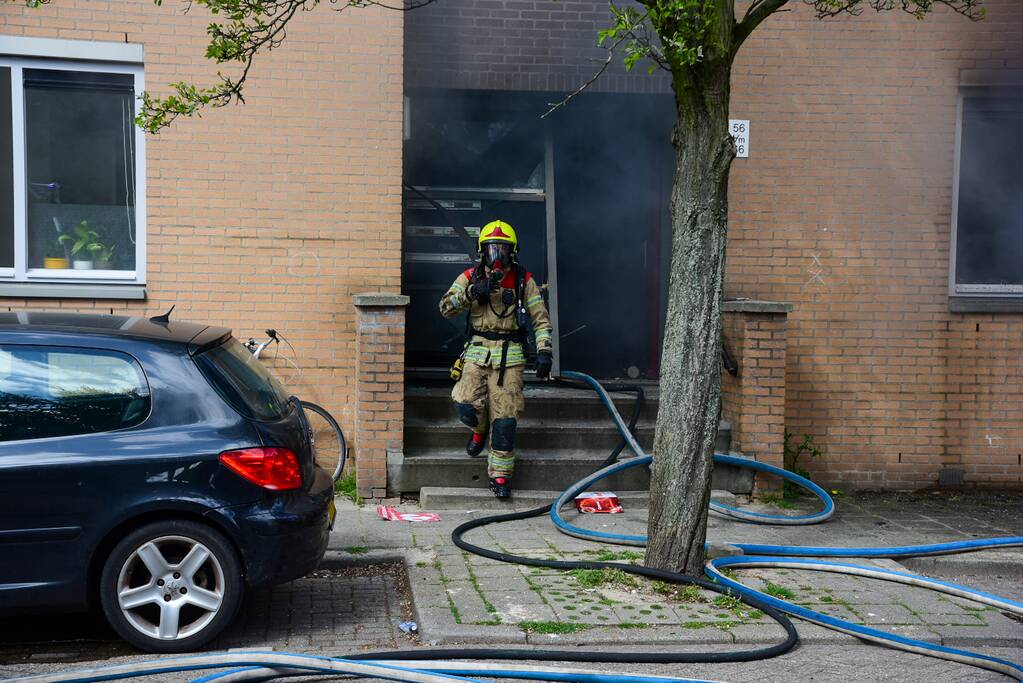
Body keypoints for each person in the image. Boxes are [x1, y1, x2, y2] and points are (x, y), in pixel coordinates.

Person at [439, 220, 553, 498]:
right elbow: (445, 308)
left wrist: (545, 350)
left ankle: (500, 477)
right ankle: (479, 428)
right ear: (482, 252)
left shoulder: (524, 280)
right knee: (464, 405)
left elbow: (540, 319)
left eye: (503, 250)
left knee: (504, 420)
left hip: (510, 357)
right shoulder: (469, 276)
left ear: (512, 252)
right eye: (492, 250)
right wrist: (471, 293)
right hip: (477, 350)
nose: (497, 257)